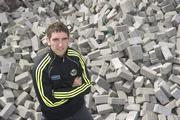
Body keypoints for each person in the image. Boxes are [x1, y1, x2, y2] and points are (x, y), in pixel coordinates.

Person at [31, 21, 93, 120]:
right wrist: (75, 88)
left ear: (69, 39)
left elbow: (88, 86)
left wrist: (56, 93)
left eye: (64, 39)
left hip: (79, 110)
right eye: (55, 40)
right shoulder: (41, 67)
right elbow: (48, 101)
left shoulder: (76, 57)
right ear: (48, 40)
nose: (60, 45)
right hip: (55, 116)